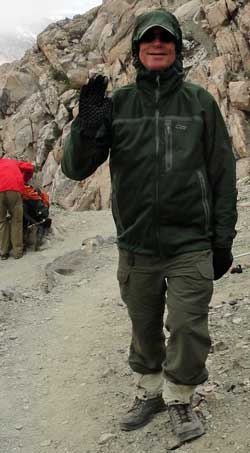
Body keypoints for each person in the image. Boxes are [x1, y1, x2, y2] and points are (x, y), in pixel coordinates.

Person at [61, 9, 237, 444]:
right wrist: (86, 127)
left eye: (166, 38)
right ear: (138, 49)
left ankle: (180, 398)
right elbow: (76, 169)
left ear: (176, 48)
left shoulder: (199, 103)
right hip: (136, 245)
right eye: (148, 39)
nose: (157, 44)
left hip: (190, 244)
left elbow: (222, 174)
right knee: (143, 327)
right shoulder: (118, 105)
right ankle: (151, 393)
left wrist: (222, 239)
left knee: (188, 326)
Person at [0, 156, 34, 260]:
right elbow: (30, 167)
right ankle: (17, 252)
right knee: (16, 220)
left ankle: (3, 253)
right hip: (14, 189)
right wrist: (24, 179)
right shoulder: (12, 162)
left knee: (1, 221)